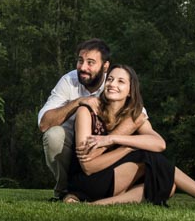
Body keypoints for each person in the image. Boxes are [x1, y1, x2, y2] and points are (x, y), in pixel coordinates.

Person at [66, 64, 195, 212]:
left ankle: (98, 205)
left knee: (168, 186)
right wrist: (131, 148)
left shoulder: (133, 116)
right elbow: (88, 167)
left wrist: (115, 140)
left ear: (131, 91)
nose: (112, 84)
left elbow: (159, 143)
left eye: (121, 81)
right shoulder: (87, 111)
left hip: (112, 181)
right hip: (86, 182)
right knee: (149, 158)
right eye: (111, 79)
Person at [38, 38, 141, 200]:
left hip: (105, 148)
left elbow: (139, 116)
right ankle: (64, 190)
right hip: (73, 148)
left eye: (90, 62)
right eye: (80, 61)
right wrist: (79, 102)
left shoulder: (113, 84)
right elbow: (44, 124)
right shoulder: (68, 81)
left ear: (105, 66)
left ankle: (113, 190)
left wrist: (110, 140)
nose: (83, 67)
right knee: (53, 135)